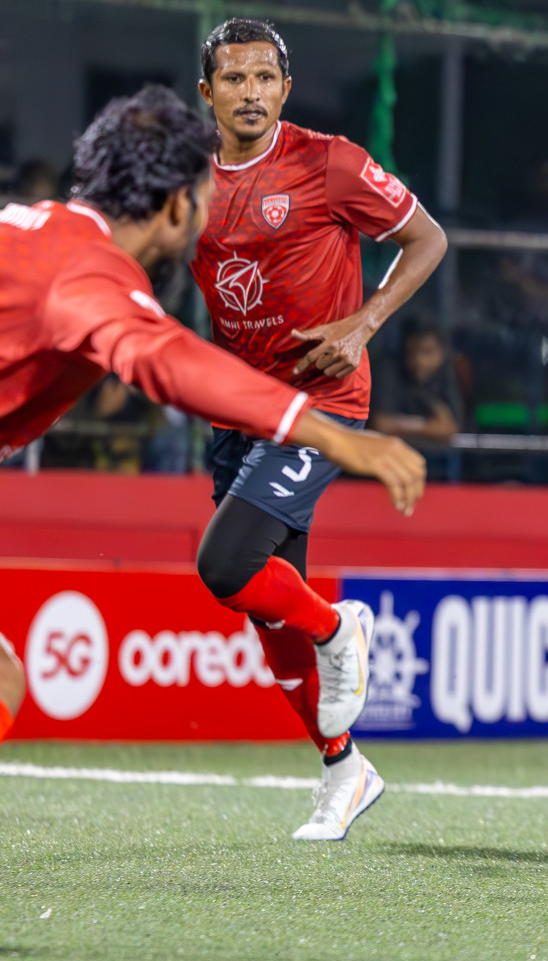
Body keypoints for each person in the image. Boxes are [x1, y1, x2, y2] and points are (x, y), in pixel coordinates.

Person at [0, 85, 426, 748]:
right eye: (206, 199)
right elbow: (169, 363)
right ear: (177, 205)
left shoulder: (34, 226)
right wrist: (329, 435)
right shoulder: (87, 277)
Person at [191, 18, 447, 841]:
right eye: (234, 79)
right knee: (271, 610)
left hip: (320, 407)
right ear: (209, 93)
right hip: (241, 409)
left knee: (225, 564)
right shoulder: (186, 184)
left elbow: (427, 238)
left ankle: (343, 627)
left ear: (286, 88)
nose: (251, 93)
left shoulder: (327, 161)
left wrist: (363, 325)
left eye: (265, 78)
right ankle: (344, 770)